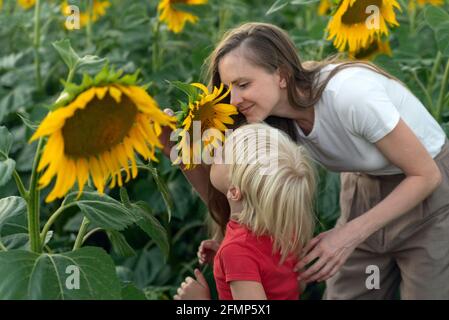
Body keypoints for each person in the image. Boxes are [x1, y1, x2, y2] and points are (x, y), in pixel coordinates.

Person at [163, 22, 449, 299]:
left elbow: (426, 175)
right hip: (361, 187)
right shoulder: (268, 120)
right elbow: (235, 191)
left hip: (426, 192)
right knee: (350, 292)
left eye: (243, 84)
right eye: (228, 89)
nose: (234, 100)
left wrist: (346, 236)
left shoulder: (351, 95)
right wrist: (175, 148)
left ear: (282, 75)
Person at [173, 123, 316, 300]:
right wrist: (229, 264)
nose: (216, 151)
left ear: (234, 191)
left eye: (222, 155)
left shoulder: (236, 251)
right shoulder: (284, 227)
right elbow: (295, 285)